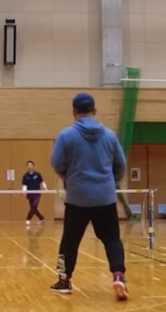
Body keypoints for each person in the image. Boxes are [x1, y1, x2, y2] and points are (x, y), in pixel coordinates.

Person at [49, 93, 129, 301]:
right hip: (105, 198)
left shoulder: (66, 136)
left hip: (78, 198)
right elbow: (120, 164)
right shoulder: (110, 136)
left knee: (70, 240)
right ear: (94, 111)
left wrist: (69, 177)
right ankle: (119, 275)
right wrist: (110, 181)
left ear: (75, 112)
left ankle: (64, 281)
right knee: (111, 238)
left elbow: (57, 163)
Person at [22, 160, 48, 226]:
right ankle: (42, 219)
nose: (29, 166)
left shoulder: (37, 174)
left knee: (34, 206)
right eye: (28, 165)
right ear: (27, 167)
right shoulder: (25, 176)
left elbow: (42, 181)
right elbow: (24, 185)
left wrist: (45, 188)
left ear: (33, 166)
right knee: (34, 208)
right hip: (30, 194)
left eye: (31, 165)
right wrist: (24, 191)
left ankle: (28, 219)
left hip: (37, 194)